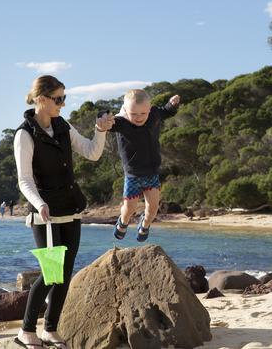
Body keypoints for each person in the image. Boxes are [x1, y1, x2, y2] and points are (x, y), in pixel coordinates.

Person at [13, 75, 113, 349]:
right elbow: (24, 180)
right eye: (58, 99)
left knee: (65, 274)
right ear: (41, 99)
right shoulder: (24, 134)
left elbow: (92, 153)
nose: (62, 104)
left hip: (70, 208)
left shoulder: (62, 126)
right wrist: (39, 203)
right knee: (50, 274)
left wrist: (100, 130)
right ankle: (26, 330)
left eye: (64, 98)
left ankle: (50, 329)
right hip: (44, 213)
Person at [108, 89, 180, 241]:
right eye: (133, 114)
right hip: (133, 175)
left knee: (153, 209)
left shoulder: (154, 114)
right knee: (129, 209)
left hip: (152, 173)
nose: (139, 117)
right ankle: (123, 221)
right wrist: (102, 119)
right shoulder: (120, 123)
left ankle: (145, 224)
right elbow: (108, 124)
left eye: (143, 113)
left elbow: (166, 111)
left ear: (149, 108)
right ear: (125, 110)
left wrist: (172, 105)